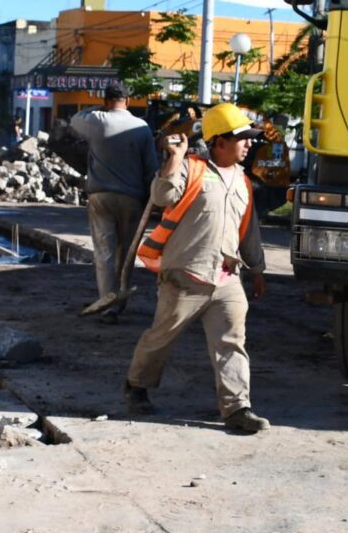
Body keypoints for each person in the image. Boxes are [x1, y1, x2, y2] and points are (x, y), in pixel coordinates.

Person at [124, 102, 270, 435]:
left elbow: (248, 230)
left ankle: (237, 408)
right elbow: (162, 196)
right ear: (219, 142)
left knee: (231, 342)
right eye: (243, 138)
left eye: (250, 138)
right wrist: (174, 158)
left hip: (227, 278)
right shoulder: (192, 168)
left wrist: (258, 269)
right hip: (186, 275)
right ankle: (136, 385)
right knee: (161, 336)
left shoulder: (244, 182)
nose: (249, 144)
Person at [71, 79, 159, 318]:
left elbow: (74, 120)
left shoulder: (97, 121)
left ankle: (106, 304)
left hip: (100, 197)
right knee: (125, 252)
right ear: (128, 101)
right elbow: (151, 168)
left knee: (104, 252)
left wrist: (95, 109)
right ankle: (119, 300)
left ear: (105, 101)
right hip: (132, 199)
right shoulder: (141, 127)